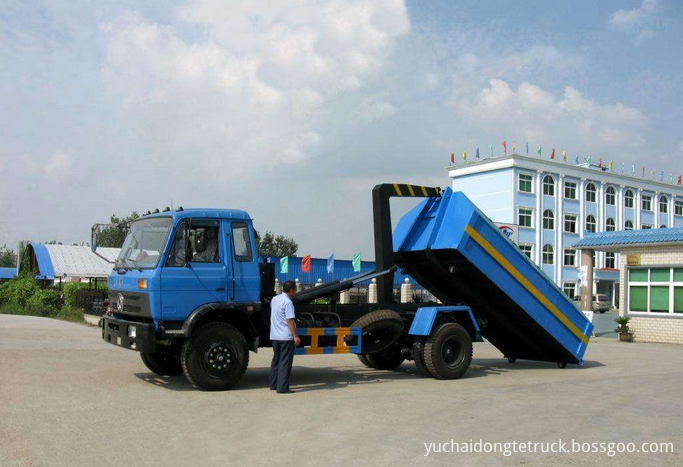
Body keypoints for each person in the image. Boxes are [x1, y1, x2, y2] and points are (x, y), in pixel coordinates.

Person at [269, 280, 301, 394]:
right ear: (292, 290)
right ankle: (282, 388)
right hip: (285, 337)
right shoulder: (288, 302)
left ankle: (273, 384)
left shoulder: (275, 299)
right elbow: (289, 320)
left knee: (276, 360)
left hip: (275, 336)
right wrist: (295, 336)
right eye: (295, 290)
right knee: (285, 362)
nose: (295, 292)